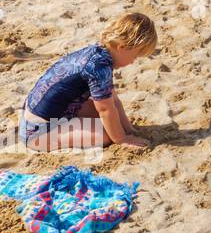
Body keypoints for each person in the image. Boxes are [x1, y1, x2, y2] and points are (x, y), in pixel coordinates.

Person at [19, 13, 157, 152]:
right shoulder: (99, 68)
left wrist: (129, 129)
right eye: (135, 55)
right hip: (37, 132)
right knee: (105, 135)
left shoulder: (98, 53)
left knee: (111, 117)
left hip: (40, 113)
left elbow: (114, 101)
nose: (134, 61)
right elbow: (105, 110)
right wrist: (122, 139)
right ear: (122, 47)